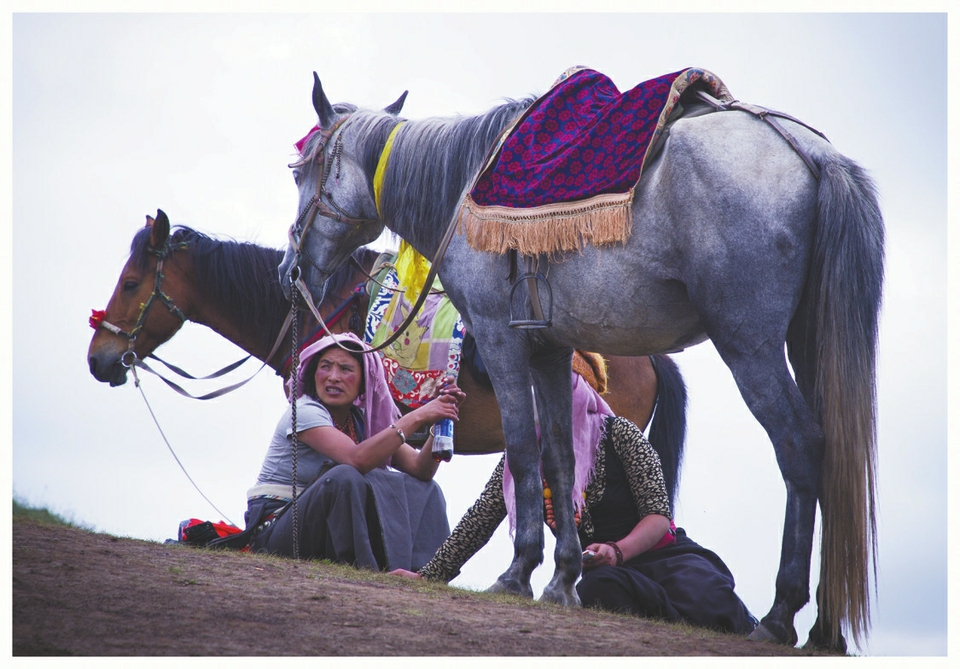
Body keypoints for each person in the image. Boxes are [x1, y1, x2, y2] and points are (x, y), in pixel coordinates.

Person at [391, 374, 757, 635]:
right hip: (611, 576)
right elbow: (480, 518)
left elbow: (659, 518)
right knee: (597, 593)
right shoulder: (523, 455)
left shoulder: (620, 435)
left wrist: (617, 550)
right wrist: (430, 576)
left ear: (580, 391)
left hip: (665, 559)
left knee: (708, 598)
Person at [237, 331, 463, 572]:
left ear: (364, 381)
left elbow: (421, 469)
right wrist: (419, 415)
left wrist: (439, 420)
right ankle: (368, 570)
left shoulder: (365, 422)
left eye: (345, 369)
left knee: (426, 489)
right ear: (314, 375)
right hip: (276, 529)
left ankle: (426, 573)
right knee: (344, 476)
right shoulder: (303, 412)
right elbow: (357, 460)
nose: (334, 377)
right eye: (326, 367)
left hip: (322, 530)